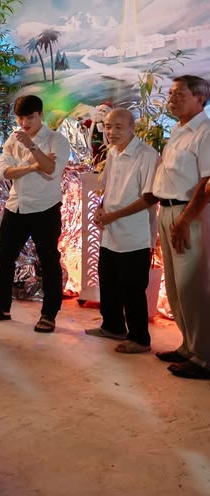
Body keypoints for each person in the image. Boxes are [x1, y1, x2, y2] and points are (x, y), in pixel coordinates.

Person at [0, 94, 71, 333]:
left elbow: (51, 170)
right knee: (5, 256)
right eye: (20, 118)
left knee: (48, 260)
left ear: (41, 115)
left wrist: (32, 147)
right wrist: (32, 166)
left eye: (29, 117)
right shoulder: (13, 138)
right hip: (16, 205)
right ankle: (1, 307)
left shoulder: (56, 140)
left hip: (45, 207)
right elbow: (3, 171)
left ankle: (49, 314)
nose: (24, 123)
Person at [150, 75, 210, 378]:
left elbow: (208, 182)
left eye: (179, 94)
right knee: (175, 286)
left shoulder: (205, 132)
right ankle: (188, 346)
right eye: (171, 93)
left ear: (200, 98)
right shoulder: (178, 130)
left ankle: (205, 358)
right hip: (169, 210)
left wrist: (185, 219)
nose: (171, 99)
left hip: (190, 214)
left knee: (193, 287)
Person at [89, 107, 159, 355]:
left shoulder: (146, 155)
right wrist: (100, 208)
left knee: (132, 287)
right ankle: (113, 326)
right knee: (108, 281)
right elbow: (108, 187)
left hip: (134, 233)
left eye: (118, 127)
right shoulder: (113, 152)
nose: (111, 132)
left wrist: (114, 215)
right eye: (108, 126)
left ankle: (140, 339)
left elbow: (150, 197)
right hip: (111, 230)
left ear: (132, 128)